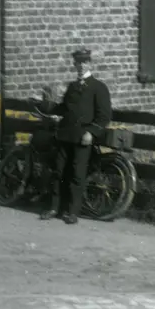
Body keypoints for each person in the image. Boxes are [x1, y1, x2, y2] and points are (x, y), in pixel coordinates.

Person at [40, 48, 113, 225]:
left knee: (77, 174)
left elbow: (104, 116)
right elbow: (64, 109)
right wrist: (45, 106)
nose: (81, 66)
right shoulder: (72, 87)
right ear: (74, 65)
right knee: (58, 171)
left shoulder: (99, 87)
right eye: (78, 63)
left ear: (90, 64)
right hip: (65, 135)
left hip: (83, 137)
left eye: (84, 62)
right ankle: (54, 208)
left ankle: (72, 212)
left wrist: (91, 132)